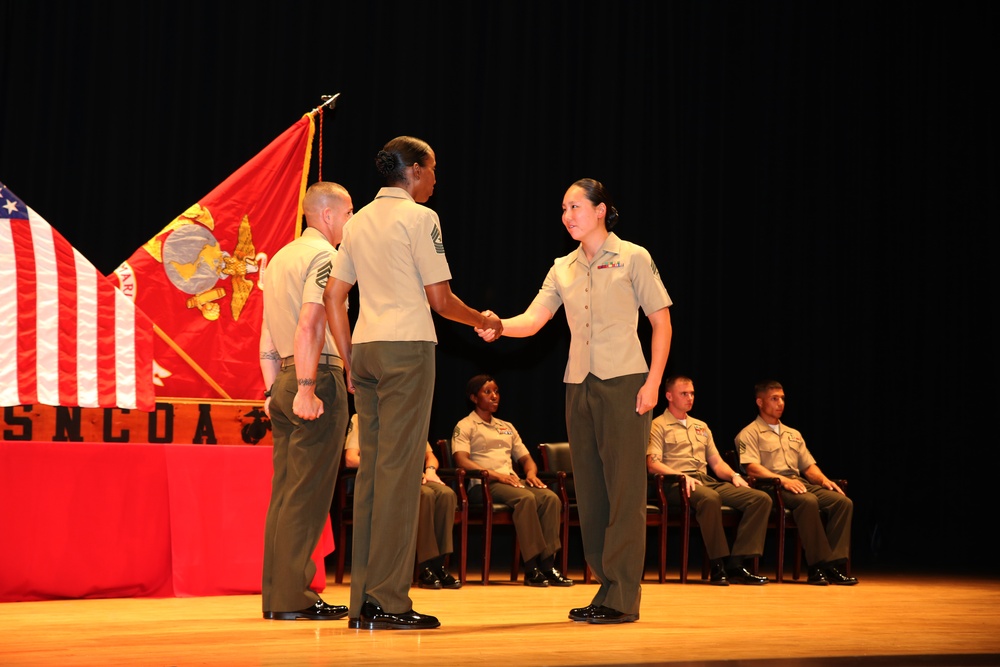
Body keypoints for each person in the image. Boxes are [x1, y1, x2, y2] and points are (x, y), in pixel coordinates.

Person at [323, 135, 502, 631]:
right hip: (407, 348)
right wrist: (484, 320)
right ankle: (389, 602)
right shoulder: (421, 218)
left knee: (374, 474)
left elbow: (334, 297)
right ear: (417, 170)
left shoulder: (356, 221)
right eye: (434, 170)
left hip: (368, 350)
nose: (437, 180)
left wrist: (349, 355)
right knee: (402, 476)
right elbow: (440, 300)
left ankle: (364, 600)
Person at [478, 178, 672, 624]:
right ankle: (605, 585)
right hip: (578, 384)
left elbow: (661, 322)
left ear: (601, 209)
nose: (567, 216)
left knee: (624, 491)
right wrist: (499, 325)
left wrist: (653, 382)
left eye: (575, 207)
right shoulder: (561, 266)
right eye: (563, 209)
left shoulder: (633, 256)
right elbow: (534, 318)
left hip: (626, 382)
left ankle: (623, 596)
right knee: (590, 489)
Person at [258, 181, 354, 620]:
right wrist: (309, 387)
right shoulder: (326, 256)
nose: (351, 221)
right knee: (306, 496)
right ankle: (294, 598)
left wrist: (272, 388)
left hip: (284, 379)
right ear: (328, 215)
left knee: (285, 494)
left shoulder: (279, 258)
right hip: (315, 376)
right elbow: (311, 323)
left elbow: (265, 338)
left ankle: (280, 596)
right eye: (349, 212)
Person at [646, 375, 771, 586]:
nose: (689, 398)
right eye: (684, 394)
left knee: (760, 499)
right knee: (710, 498)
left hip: (704, 480)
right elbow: (652, 463)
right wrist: (682, 476)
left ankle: (737, 563)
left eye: (692, 393)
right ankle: (718, 564)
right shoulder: (658, 425)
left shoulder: (701, 426)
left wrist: (734, 475)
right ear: (669, 396)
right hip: (674, 483)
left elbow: (716, 463)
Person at [451, 374, 574, 588]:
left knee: (549, 498)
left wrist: (531, 474)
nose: (494, 396)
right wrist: (495, 475)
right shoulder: (466, 425)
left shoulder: (506, 426)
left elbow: (526, 458)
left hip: (512, 483)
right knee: (525, 499)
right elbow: (461, 460)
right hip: (484, 485)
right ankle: (531, 567)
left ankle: (547, 564)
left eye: (496, 391)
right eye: (487, 392)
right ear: (473, 397)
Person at [735, 380, 858, 586]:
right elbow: (751, 468)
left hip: (798, 482)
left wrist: (824, 480)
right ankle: (817, 566)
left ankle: (833, 565)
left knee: (842, 502)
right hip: (770, 486)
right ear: (760, 402)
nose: (780, 403)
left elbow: (808, 467)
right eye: (774, 399)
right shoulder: (749, 433)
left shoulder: (793, 434)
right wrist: (783, 480)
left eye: (782, 398)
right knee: (808, 501)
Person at [343, 413, 462, 590]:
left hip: (414, 477)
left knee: (446, 494)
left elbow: (430, 455)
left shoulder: (409, 414)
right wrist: (393, 469)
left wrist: (430, 470)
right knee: (425, 495)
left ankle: (439, 565)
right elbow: (351, 459)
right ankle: (425, 567)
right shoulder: (361, 417)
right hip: (383, 478)